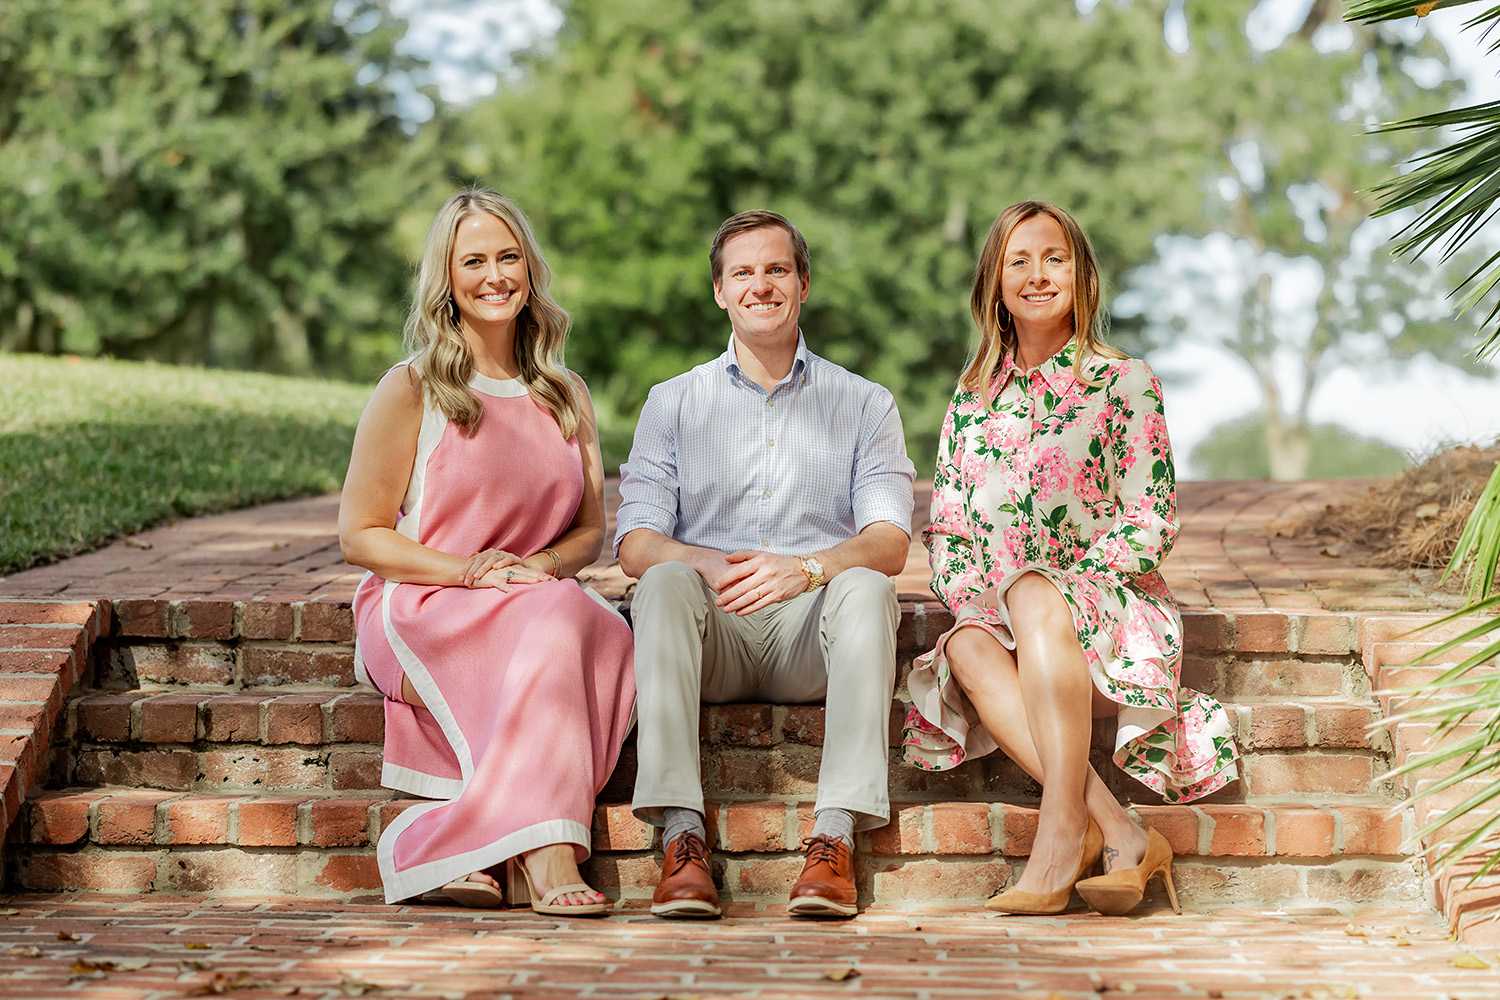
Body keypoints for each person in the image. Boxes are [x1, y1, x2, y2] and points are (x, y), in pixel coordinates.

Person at [904, 201, 1240, 916]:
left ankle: (1059, 837)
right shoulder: (969, 404)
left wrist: (1058, 590)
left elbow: (1152, 517)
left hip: (1111, 617)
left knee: (1034, 593)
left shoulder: (1124, 383)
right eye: (1017, 261)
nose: (1036, 275)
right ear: (994, 283)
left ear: (1081, 275)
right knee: (966, 642)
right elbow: (951, 533)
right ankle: (1117, 830)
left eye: (1053, 258)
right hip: (1013, 629)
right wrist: (988, 604)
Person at [339, 188, 635, 915]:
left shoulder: (568, 393)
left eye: (508, 257)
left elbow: (589, 531)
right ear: (449, 279)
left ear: (530, 272)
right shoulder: (411, 387)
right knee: (557, 621)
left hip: (533, 600)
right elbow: (362, 533)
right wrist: (469, 572)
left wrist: (535, 570)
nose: (494, 275)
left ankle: (473, 851)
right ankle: (550, 849)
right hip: (421, 603)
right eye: (473, 260)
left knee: (596, 625)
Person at [616, 210, 915, 919]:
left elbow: (890, 539)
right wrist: (702, 563)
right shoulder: (672, 402)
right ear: (720, 291)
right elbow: (634, 542)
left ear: (803, 284)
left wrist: (809, 568)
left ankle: (835, 839)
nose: (761, 285)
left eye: (776, 269)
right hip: (712, 633)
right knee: (660, 582)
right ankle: (681, 842)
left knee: (868, 589)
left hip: (810, 635)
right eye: (742, 272)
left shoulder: (865, 403)